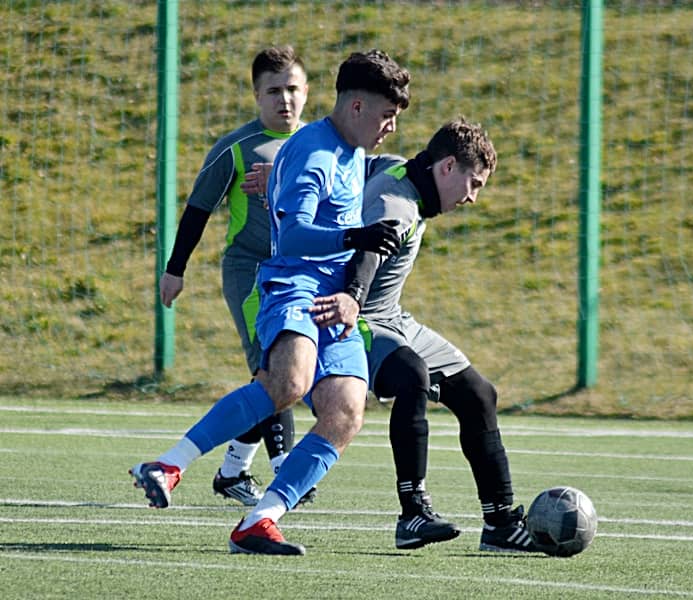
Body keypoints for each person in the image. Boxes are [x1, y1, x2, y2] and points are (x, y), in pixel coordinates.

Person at [131, 49, 411, 556]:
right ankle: (169, 464)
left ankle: (260, 520)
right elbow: (296, 236)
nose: (391, 126)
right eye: (387, 115)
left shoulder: (352, 149)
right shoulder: (315, 153)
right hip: (294, 283)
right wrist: (357, 235)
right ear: (356, 107)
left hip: (335, 297)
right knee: (288, 381)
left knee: (346, 412)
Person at [310, 117, 539, 552]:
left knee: (478, 394)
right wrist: (353, 298)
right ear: (447, 167)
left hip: (392, 317)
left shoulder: (397, 168)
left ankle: (500, 524)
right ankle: (412, 512)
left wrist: (284, 169)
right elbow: (368, 253)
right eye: (473, 183)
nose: (472, 197)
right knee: (411, 375)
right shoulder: (398, 206)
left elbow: (351, 165)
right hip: (354, 318)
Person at [158, 46, 309, 506]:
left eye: (293, 89)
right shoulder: (236, 147)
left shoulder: (317, 145)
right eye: (274, 91)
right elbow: (198, 209)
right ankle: (287, 470)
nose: (285, 99)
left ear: (307, 91)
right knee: (273, 366)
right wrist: (175, 270)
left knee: (285, 377)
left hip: (300, 277)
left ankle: (233, 471)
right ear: (257, 96)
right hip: (251, 274)